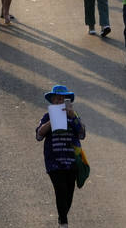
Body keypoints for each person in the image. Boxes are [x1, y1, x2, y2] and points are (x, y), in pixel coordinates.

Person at [35, 84, 86, 228]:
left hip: (71, 161)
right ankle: (64, 222)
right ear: (52, 101)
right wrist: (51, 121)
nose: (60, 102)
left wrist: (72, 117)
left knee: (69, 193)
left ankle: (61, 218)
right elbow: (38, 135)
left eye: (63, 99)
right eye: (57, 99)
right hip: (54, 161)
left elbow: (82, 134)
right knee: (60, 189)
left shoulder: (73, 116)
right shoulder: (47, 116)